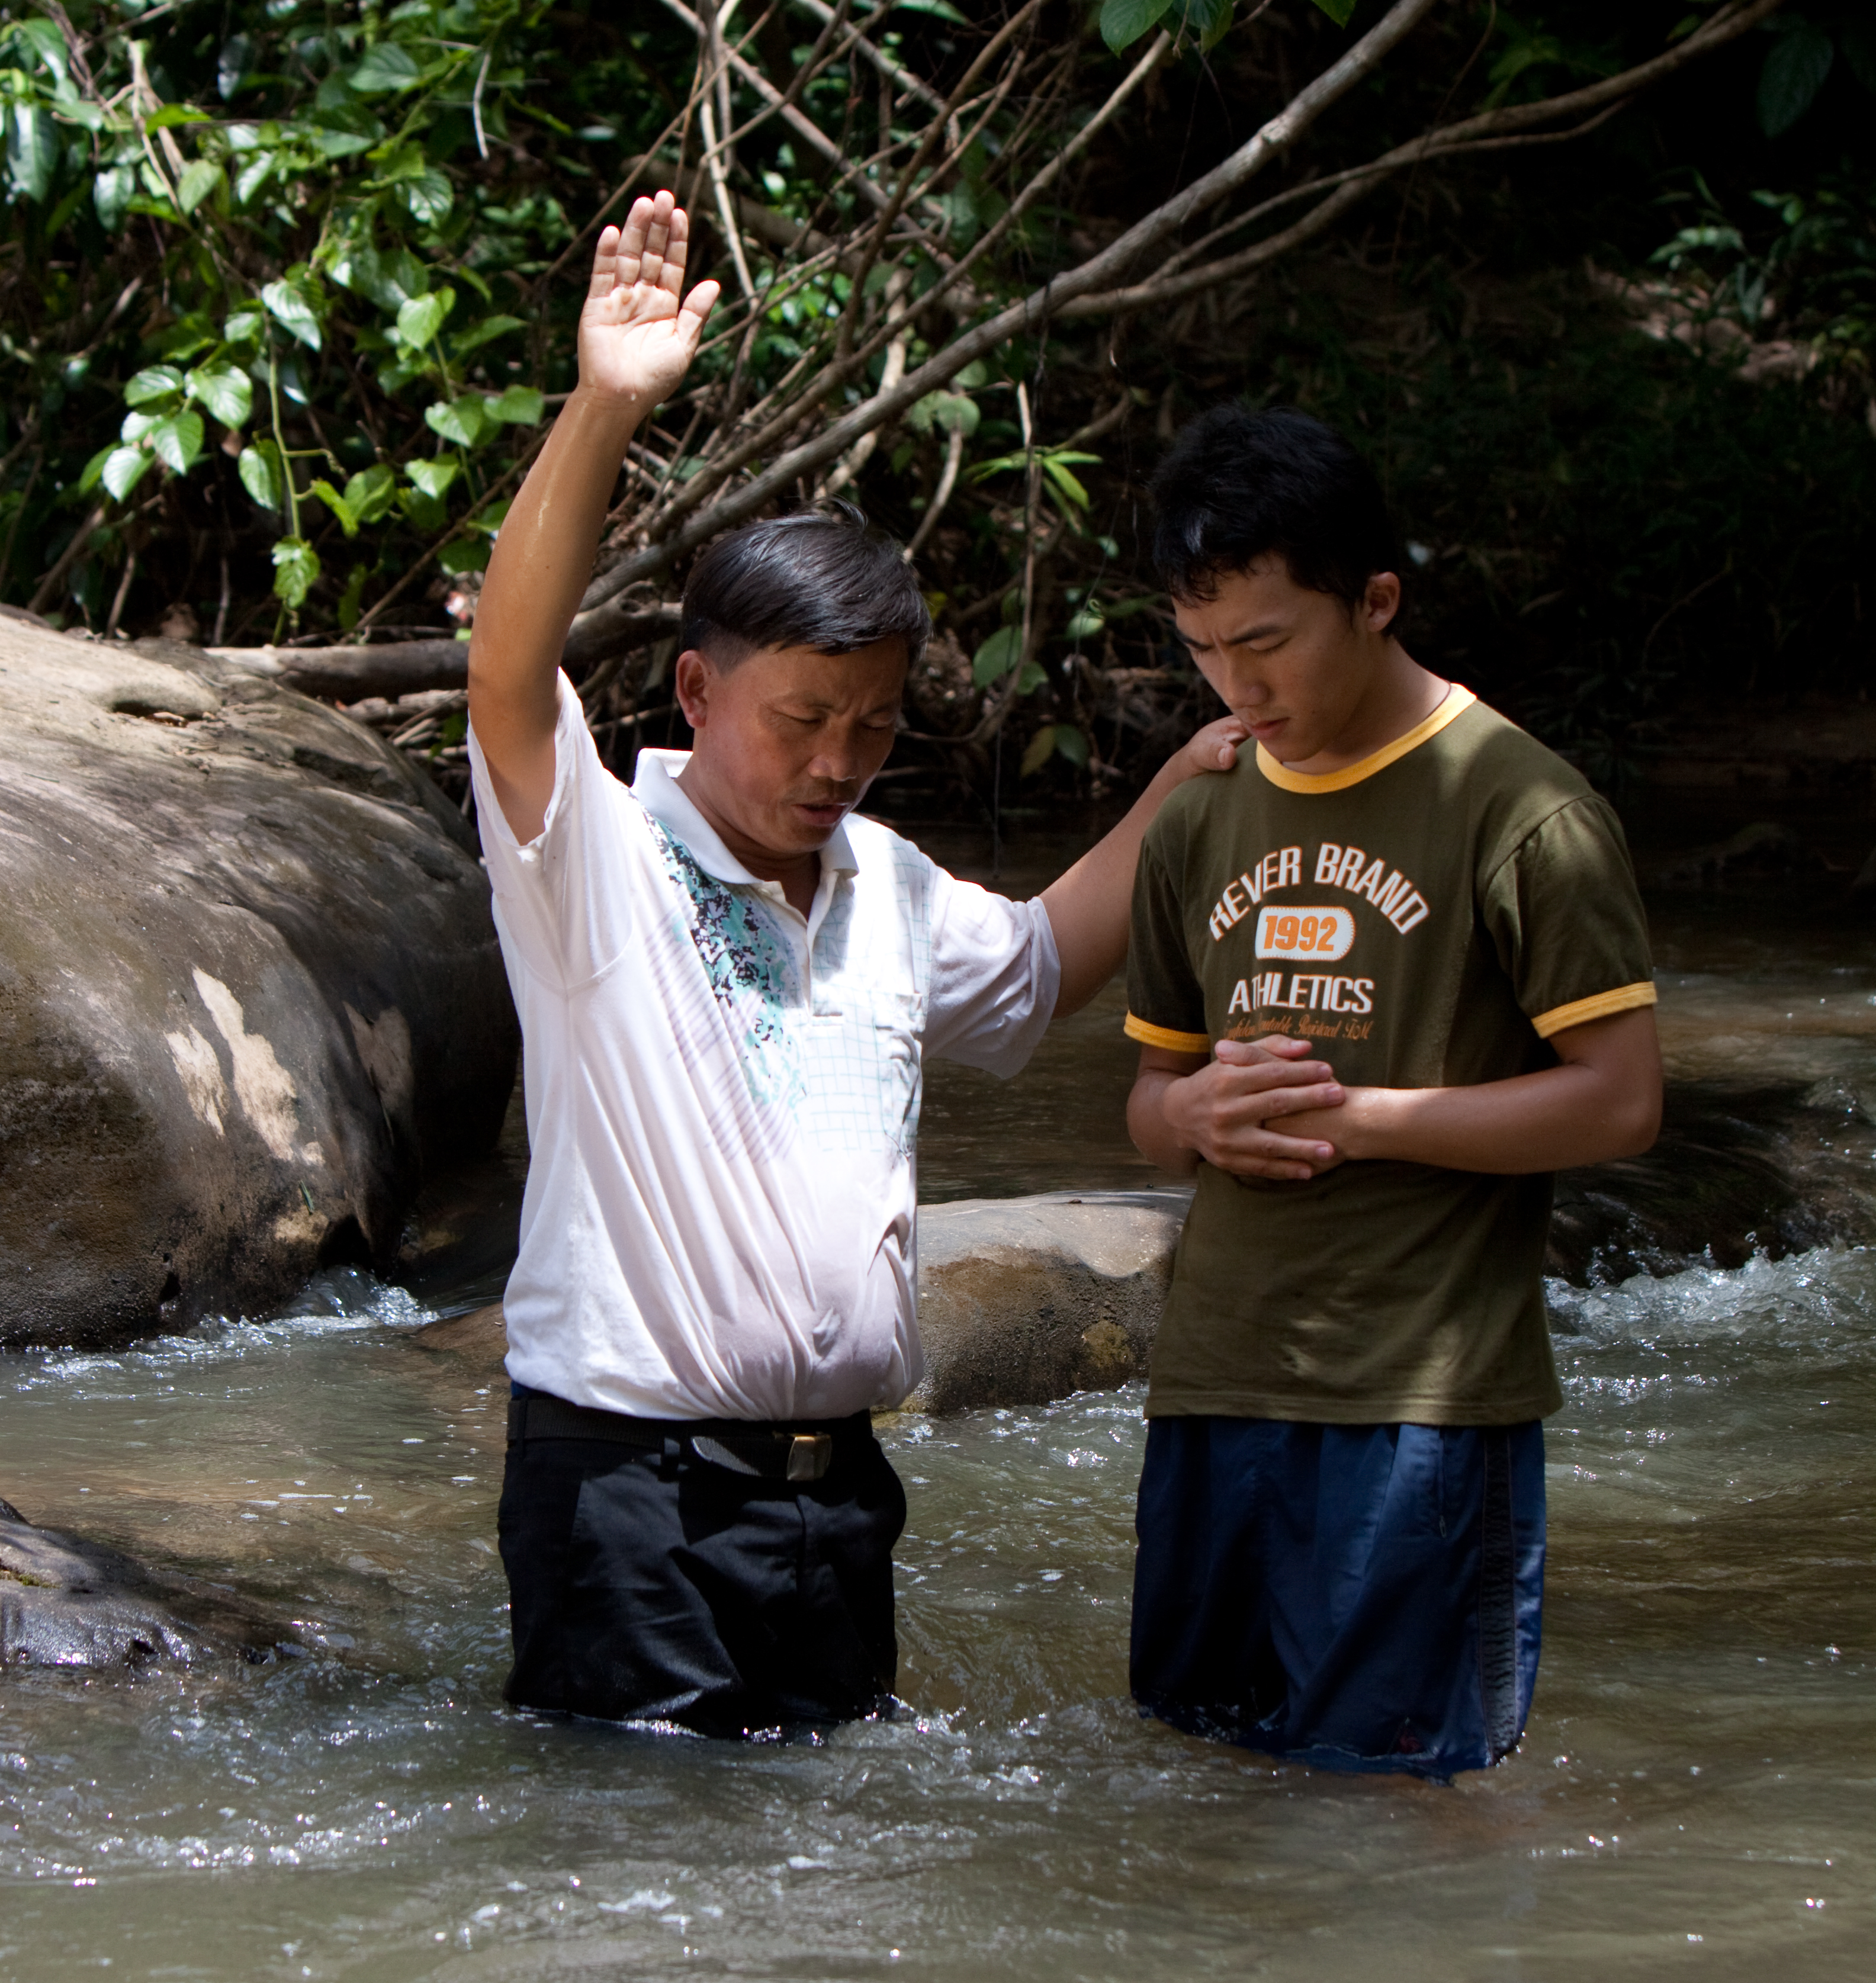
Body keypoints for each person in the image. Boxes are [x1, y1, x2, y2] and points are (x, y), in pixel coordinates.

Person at [464, 189, 1251, 1737]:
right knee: (645, 1893)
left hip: (837, 1497)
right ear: (698, 690)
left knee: (817, 1912)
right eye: (802, 719)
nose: (840, 760)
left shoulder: (887, 881)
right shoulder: (596, 860)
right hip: (632, 1485)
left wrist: (1189, 785)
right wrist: (607, 403)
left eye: (876, 723)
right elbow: (506, 670)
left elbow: (1034, 972)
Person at [1122, 404, 1663, 1781]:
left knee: (1398, 1822)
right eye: (1200, 650)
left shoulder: (1522, 810)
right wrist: (1188, 1118)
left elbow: (1619, 1104)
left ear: (1374, 600)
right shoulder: (1200, 814)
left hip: (1420, 1409)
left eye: (1265, 641)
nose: (1235, 687)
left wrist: (1363, 1123)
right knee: (1201, 1793)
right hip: (1216, 1382)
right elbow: (1150, 1101)